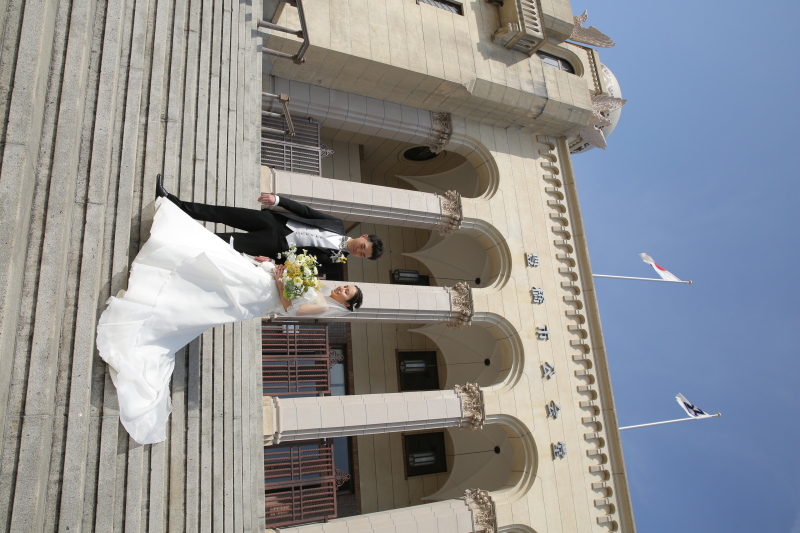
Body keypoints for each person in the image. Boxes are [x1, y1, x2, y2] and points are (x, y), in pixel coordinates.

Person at [96, 184, 363, 444]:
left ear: (345, 304)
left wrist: (281, 279)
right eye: (347, 286)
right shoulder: (320, 279)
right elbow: (303, 225)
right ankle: (175, 217)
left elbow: (289, 306)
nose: (342, 287)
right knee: (219, 259)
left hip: (261, 294)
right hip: (268, 264)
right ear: (363, 238)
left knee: (214, 279)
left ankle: (165, 283)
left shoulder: (324, 305)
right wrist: (273, 266)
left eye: (346, 292)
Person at [156, 175, 384, 277]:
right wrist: (279, 200)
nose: (359, 251)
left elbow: (297, 271)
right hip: (274, 222)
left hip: (271, 246)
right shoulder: (336, 223)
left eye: (362, 255)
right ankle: (171, 202)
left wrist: (272, 263)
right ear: (363, 236)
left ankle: (169, 239)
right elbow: (306, 212)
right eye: (363, 246)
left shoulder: (335, 264)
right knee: (222, 213)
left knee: (219, 242)